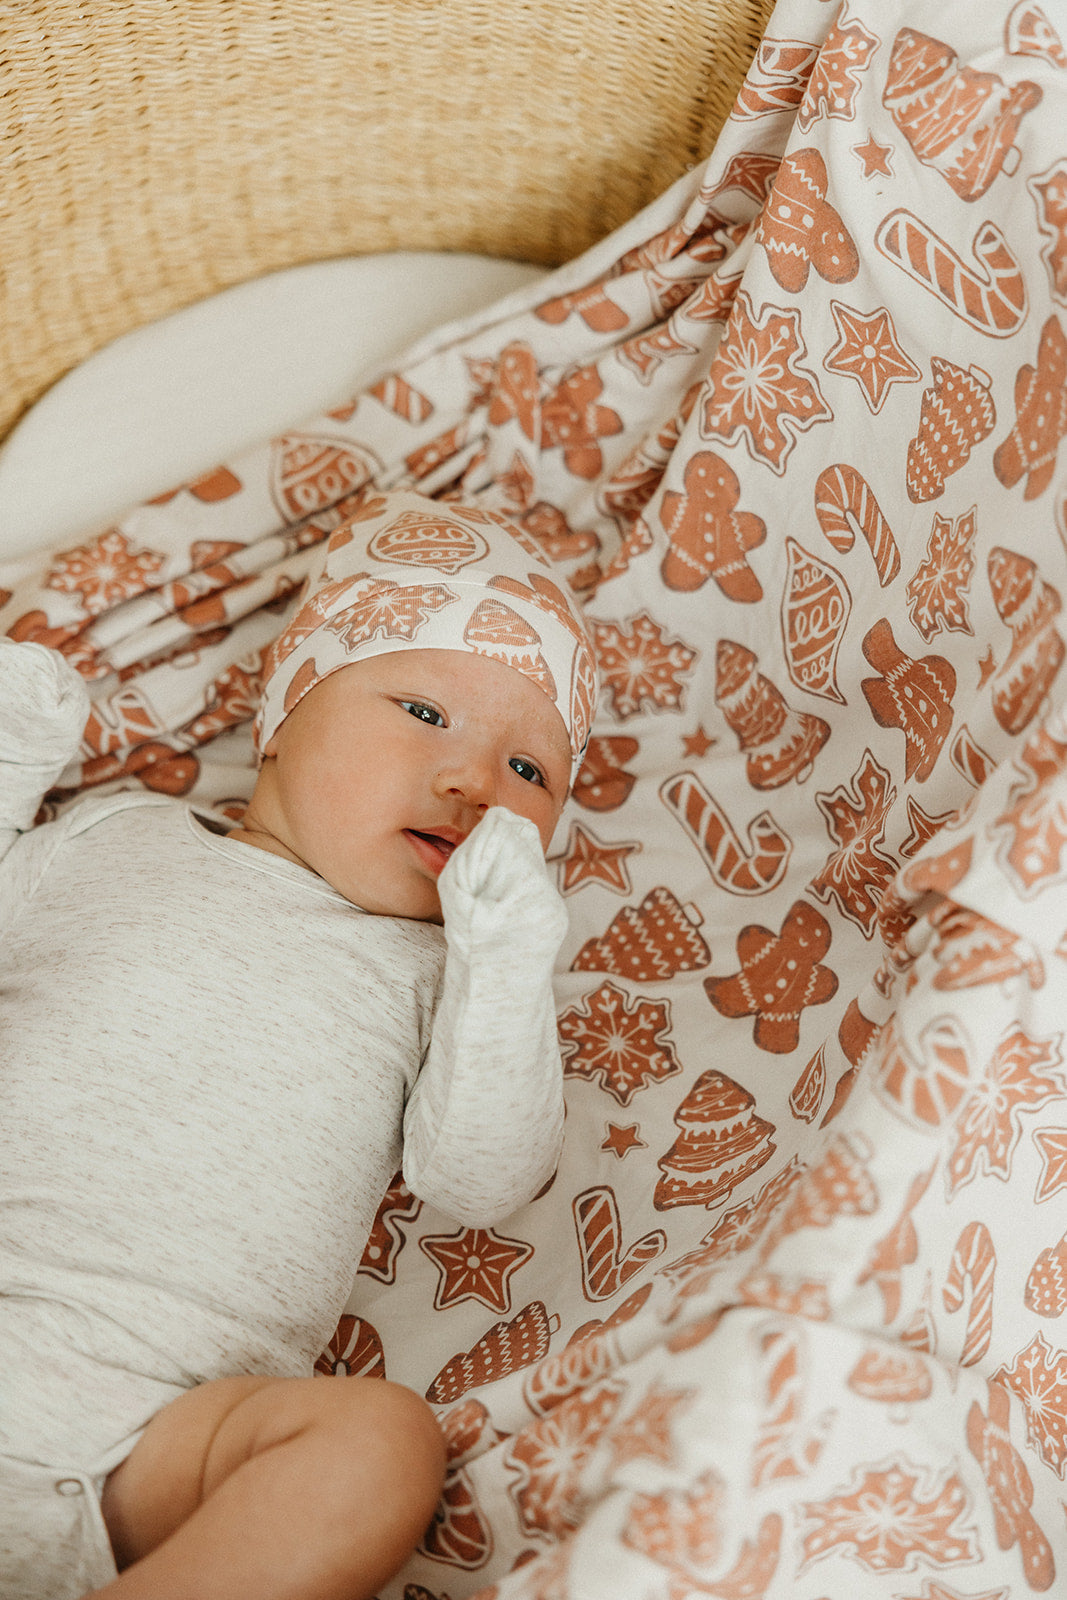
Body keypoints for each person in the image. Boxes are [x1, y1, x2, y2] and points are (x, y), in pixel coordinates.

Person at [0, 490, 598, 1600]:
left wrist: (508, 964)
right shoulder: (109, 836)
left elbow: (481, 1179)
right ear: (284, 710)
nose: (474, 781)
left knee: (382, 1444)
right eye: (424, 710)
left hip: (152, 1438)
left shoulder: (446, 974)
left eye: (531, 773)